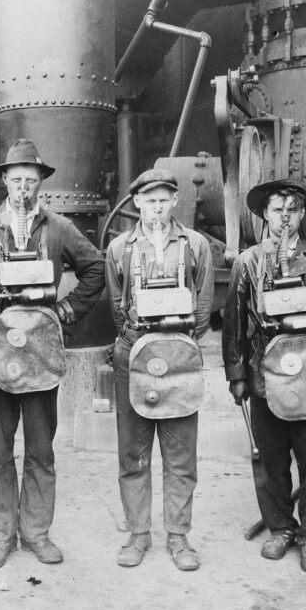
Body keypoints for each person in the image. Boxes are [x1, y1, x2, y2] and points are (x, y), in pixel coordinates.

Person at [0, 138, 105, 570]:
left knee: (41, 448)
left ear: (41, 184)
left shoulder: (57, 228)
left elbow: (94, 268)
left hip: (40, 350)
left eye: (31, 180)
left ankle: (36, 533)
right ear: (4, 180)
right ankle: (2, 536)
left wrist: (66, 311)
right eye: (16, 179)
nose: (23, 187)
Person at [222, 179, 306, 573]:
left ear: (302, 215)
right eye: (277, 210)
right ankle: (280, 528)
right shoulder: (248, 262)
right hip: (265, 375)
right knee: (270, 460)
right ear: (264, 215)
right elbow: (235, 322)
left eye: (292, 210)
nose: (285, 218)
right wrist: (237, 375)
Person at [105, 168, 214, 571]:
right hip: (133, 355)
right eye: (149, 201)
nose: (157, 208)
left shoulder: (195, 245)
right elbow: (117, 308)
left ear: (175, 202)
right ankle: (137, 534)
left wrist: (177, 343)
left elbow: (204, 306)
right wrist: (141, 342)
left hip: (180, 356)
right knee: (133, 452)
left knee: (180, 453)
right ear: (136, 203)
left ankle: (179, 536)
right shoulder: (120, 249)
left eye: (164, 199)